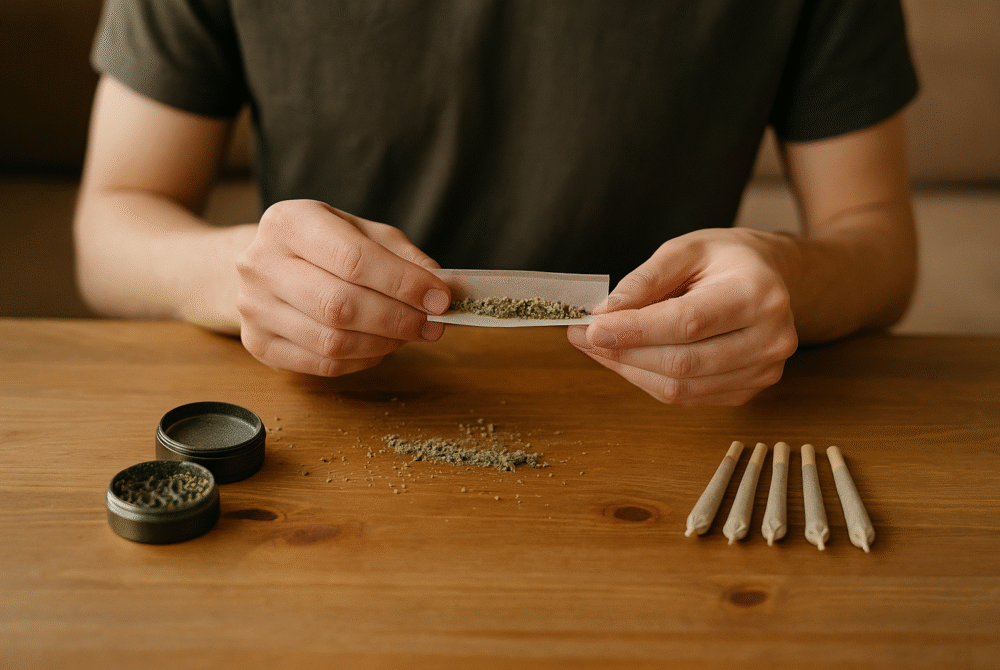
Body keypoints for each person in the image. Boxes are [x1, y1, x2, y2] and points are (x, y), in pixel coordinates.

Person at [75, 0, 919, 406]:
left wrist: (787, 278)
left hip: (675, 416)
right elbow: (110, 224)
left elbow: (878, 244)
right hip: (332, 413)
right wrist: (239, 275)